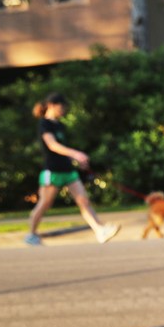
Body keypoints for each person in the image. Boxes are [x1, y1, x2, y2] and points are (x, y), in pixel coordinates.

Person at [24, 93, 120, 246]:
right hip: (52, 170)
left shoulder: (60, 125)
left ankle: (99, 230)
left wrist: (76, 159)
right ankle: (31, 234)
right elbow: (52, 145)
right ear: (51, 105)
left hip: (67, 170)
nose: (63, 110)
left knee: (83, 200)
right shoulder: (44, 124)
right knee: (45, 203)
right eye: (61, 107)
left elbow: (63, 149)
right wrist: (75, 153)